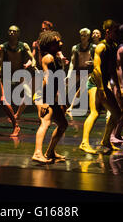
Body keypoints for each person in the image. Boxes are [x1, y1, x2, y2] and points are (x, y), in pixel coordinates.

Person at [79, 19, 122, 154]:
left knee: (117, 113)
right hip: (95, 83)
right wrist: (102, 89)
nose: (117, 35)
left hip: (103, 82)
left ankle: (105, 140)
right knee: (95, 112)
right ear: (108, 32)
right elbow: (97, 69)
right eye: (115, 32)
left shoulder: (114, 46)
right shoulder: (101, 47)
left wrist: (119, 87)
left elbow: (113, 69)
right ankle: (84, 143)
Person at [31, 30, 68, 163]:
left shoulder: (55, 57)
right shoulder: (48, 58)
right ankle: (37, 153)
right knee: (45, 123)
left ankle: (50, 152)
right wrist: (45, 102)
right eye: (56, 42)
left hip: (51, 97)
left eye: (59, 40)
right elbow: (47, 78)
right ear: (49, 45)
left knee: (63, 124)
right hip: (44, 96)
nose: (60, 43)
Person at [65, 28, 96, 115]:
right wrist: (69, 75)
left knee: (82, 87)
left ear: (88, 36)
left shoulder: (93, 47)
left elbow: (98, 61)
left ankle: (71, 106)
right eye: (82, 35)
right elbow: (72, 62)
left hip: (88, 72)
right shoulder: (75, 48)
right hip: (78, 71)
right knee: (65, 85)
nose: (83, 37)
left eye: (85, 35)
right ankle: (59, 105)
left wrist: (92, 62)